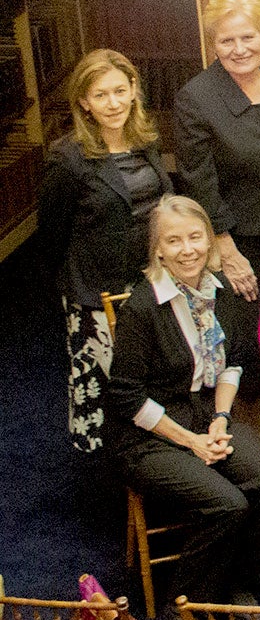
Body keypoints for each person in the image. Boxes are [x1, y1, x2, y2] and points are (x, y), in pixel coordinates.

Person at [105, 197, 260, 607]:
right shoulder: (143, 306)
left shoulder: (219, 293)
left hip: (204, 413)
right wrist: (192, 441)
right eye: (174, 240)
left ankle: (240, 586)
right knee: (227, 504)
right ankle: (184, 608)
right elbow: (127, 397)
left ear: (209, 241)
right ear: (159, 250)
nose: (188, 249)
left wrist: (221, 418)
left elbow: (231, 363)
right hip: (145, 433)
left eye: (195, 237)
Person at [44, 49, 174, 454]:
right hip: (96, 294)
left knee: (151, 383)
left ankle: (158, 464)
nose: (113, 103)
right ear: (84, 101)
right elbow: (50, 237)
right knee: (106, 390)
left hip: (150, 284)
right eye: (100, 95)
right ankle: (107, 486)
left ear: (134, 90)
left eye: (120, 91)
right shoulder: (67, 159)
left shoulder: (145, 141)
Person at [172, 0, 260, 304]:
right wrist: (226, 248)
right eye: (226, 41)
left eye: (247, 37)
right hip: (242, 244)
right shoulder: (195, 99)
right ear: (213, 47)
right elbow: (198, 182)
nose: (239, 49)